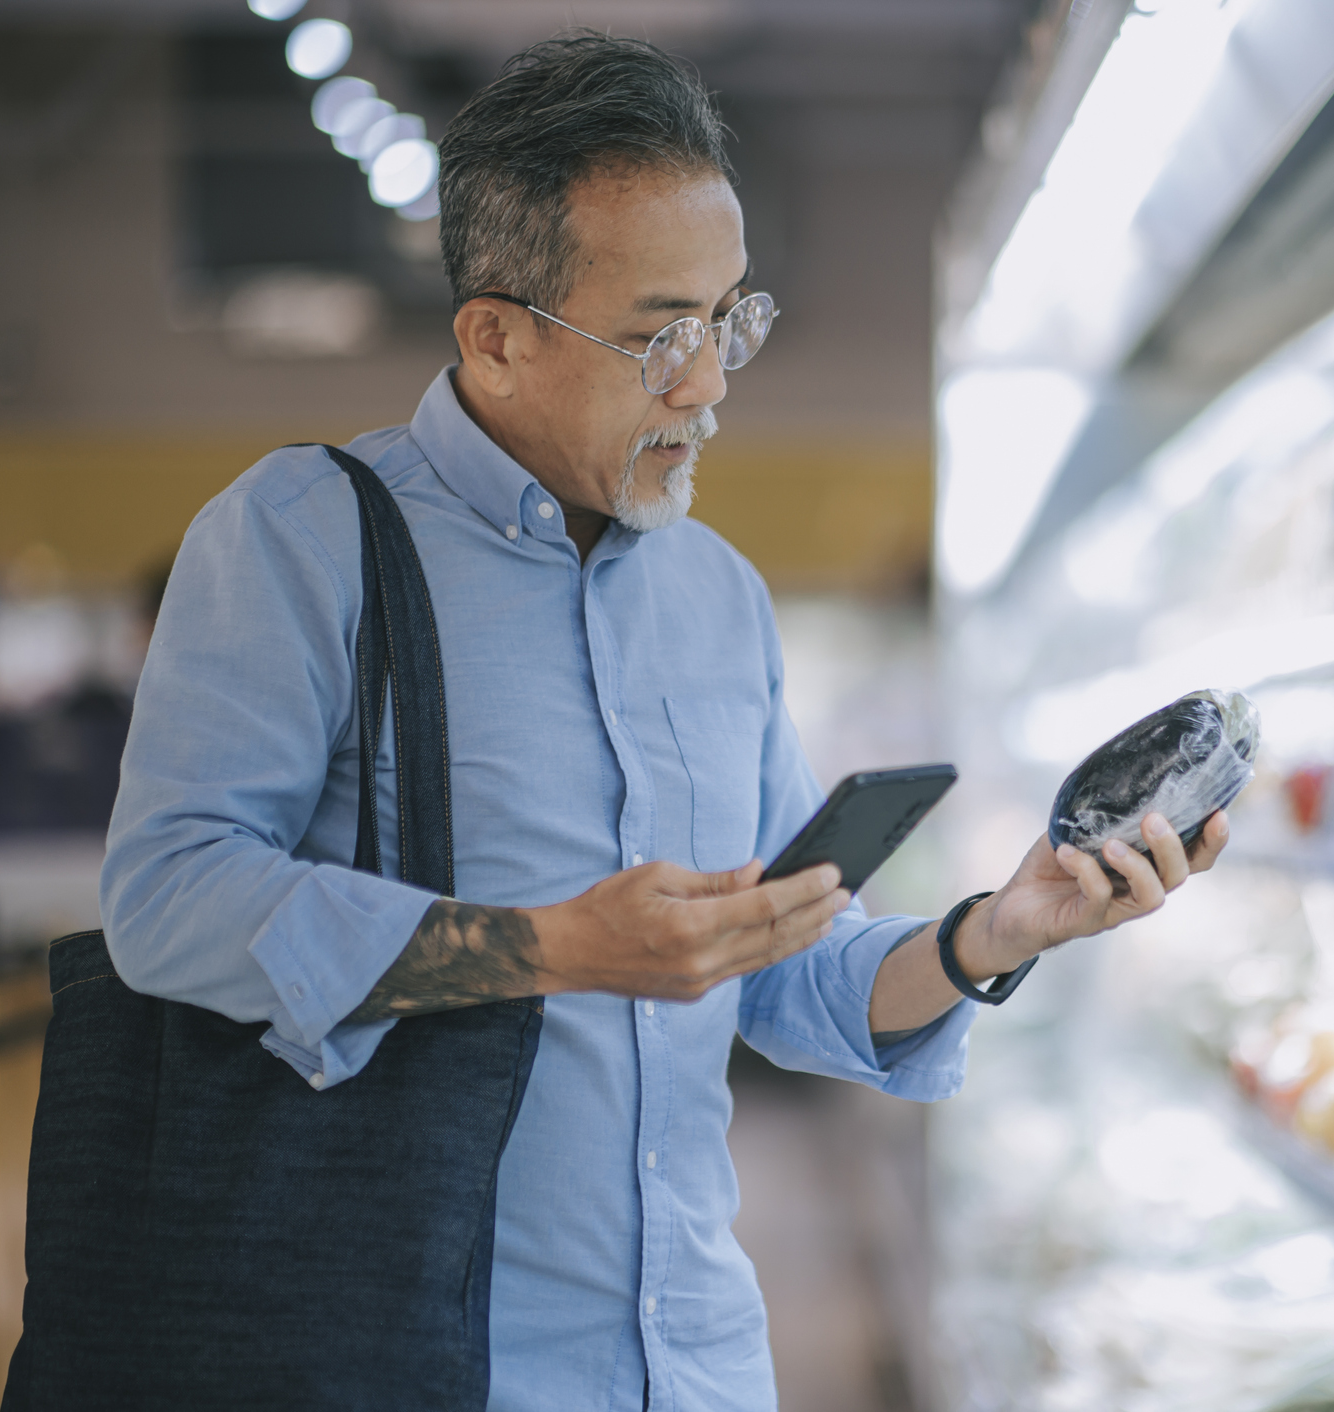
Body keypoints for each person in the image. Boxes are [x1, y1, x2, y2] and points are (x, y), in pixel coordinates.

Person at [94, 33, 1227, 1412]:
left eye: (730, 322)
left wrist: (1000, 929)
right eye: (658, 338)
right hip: (397, 1356)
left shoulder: (715, 597)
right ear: (494, 338)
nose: (707, 385)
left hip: (688, 1362)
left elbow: (784, 976)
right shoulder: (300, 540)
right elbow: (166, 895)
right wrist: (553, 948)